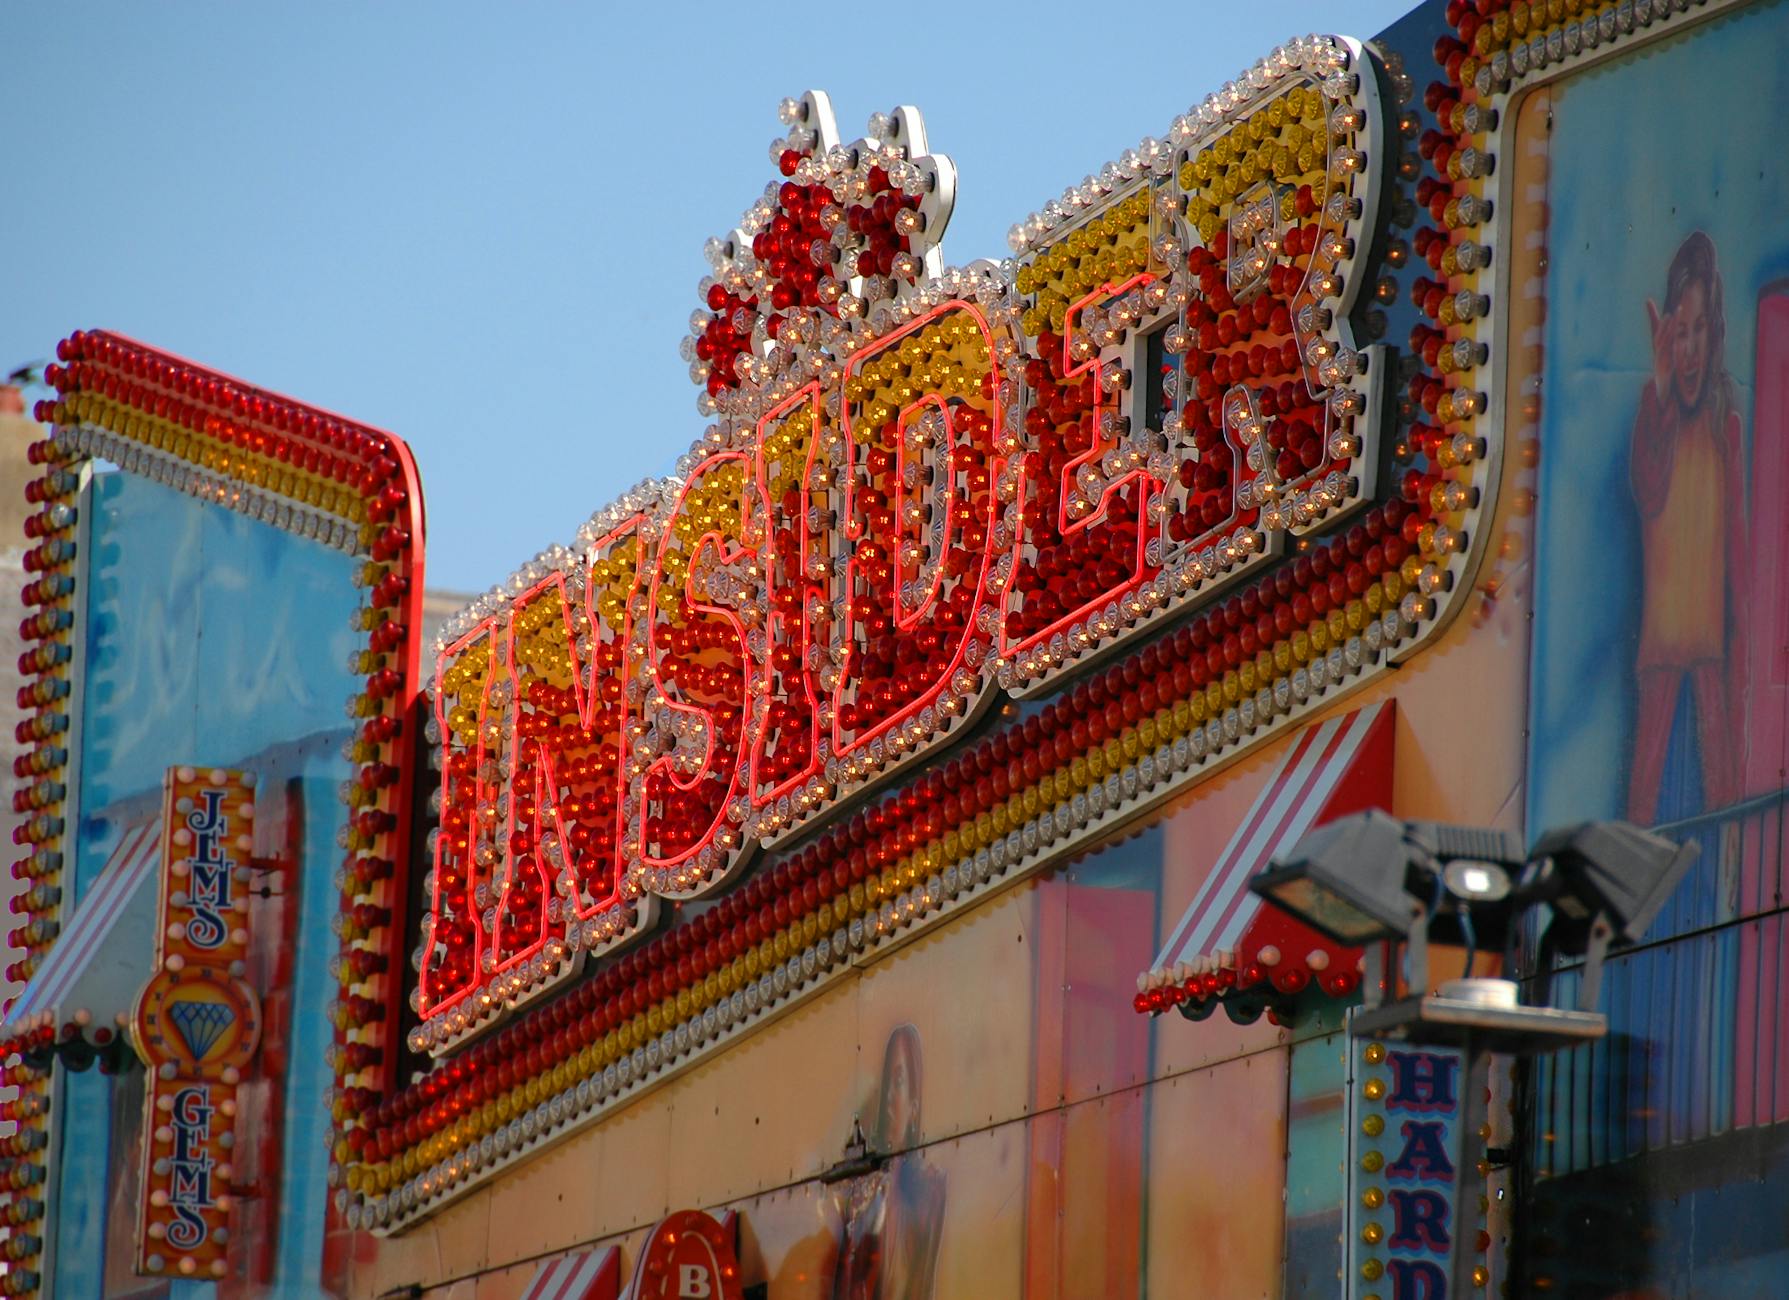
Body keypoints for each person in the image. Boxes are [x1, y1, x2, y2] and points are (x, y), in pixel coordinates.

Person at [1626, 232, 1749, 826]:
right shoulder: (1659, 418)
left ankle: (1732, 896)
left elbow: (1741, 549)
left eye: (1700, 331)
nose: (1691, 347)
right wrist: (1659, 385)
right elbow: (1648, 487)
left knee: (1723, 788)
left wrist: (1747, 632)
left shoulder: (1726, 422)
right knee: (1645, 793)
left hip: (1712, 646)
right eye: (1681, 332)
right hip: (1661, 642)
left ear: (1715, 332)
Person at [832, 1024, 946, 1300]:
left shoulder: (929, 1189)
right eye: (886, 1085)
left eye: (898, 1082)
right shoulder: (863, 1191)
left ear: (914, 1107)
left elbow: (922, 1285)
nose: (889, 1098)